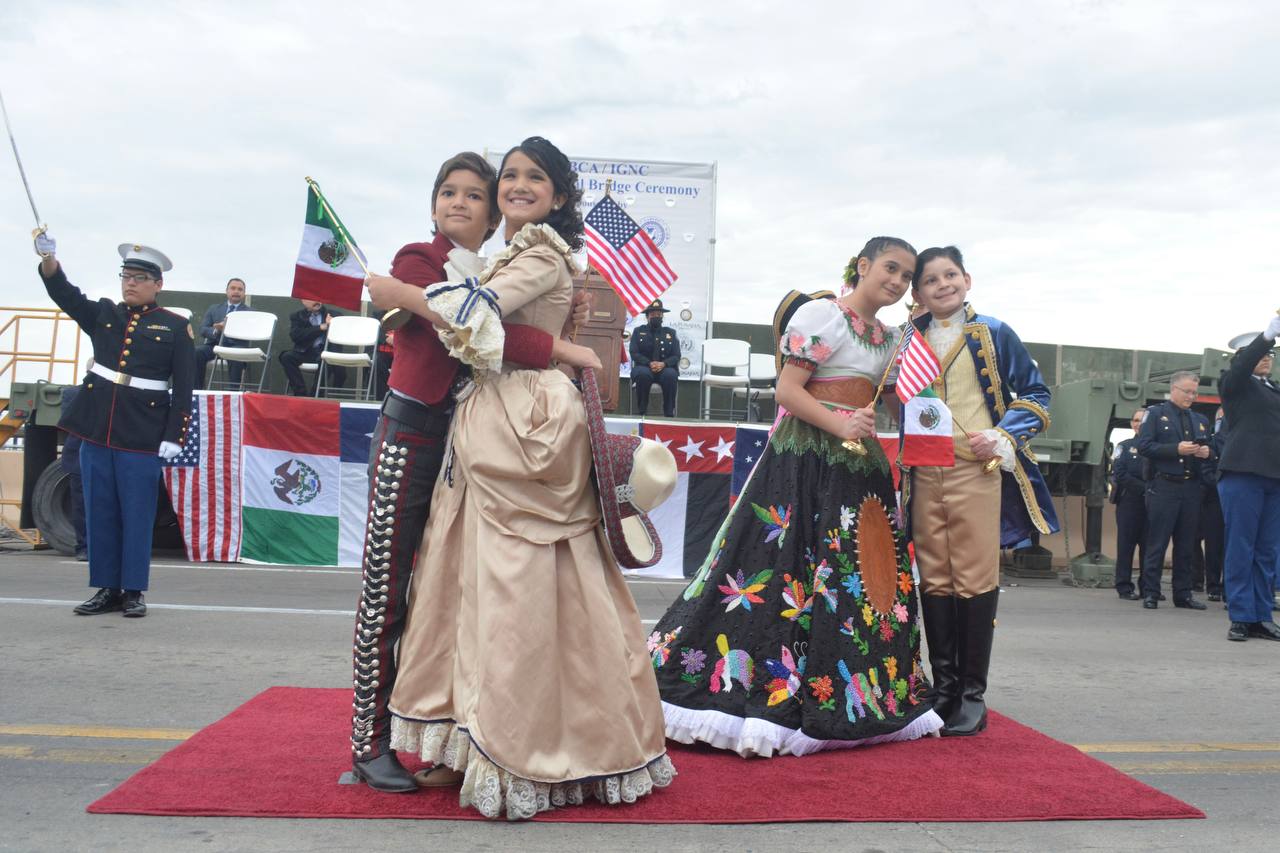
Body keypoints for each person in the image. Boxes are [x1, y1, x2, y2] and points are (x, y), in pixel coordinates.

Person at [370, 137, 673, 819]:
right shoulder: (513, 251)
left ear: (560, 196)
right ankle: (471, 738)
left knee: (517, 592)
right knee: (473, 586)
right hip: (496, 416)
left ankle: (521, 749)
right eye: (509, 175)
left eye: (535, 177)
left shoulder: (537, 253)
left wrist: (401, 295)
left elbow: (473, 316)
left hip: (524, 420)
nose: (517, 185)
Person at [346, 151, 592, 793]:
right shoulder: (418, 262)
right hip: (413, 430)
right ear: (432, 205)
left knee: (443, 593)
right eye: (446, 192)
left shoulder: (492, 269)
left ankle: (438, 730)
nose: (458, 202)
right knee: (387, 586)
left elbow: (488, 319)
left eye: (472, 195)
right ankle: (368, 741)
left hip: (470, 443)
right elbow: (462, 323)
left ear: (490, 214)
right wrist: (559, 346)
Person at [649, 236, 943, 757]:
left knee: (857, 574)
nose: (897, 282)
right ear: (863, 265)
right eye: (890, 269)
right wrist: (841, 424)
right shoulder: (821, 315)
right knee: (781, 565)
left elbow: (887, 397)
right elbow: (788, 391)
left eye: (905, 276)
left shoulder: (890, 337)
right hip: (806, 459)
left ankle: (848, 689)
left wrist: (865, 424)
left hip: (860, 469)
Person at [908, 246, 1059, 737]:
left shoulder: (994, 332)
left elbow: (1036, 395)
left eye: (950, 275)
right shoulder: (908, 339)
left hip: (977, 467)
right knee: (934, 576)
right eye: (930, 280)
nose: (942, 285)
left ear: (967, 280)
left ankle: (972, 695)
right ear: (918, 292)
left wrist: (1005, 433)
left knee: (972, 575)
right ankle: (944, 688)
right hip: (925, 469)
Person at [35, 235, 194, 618]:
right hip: (96, 429)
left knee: (137, 514)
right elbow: (65, 295)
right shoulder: (105, 314)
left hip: (141, 433)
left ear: (158, 285)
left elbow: (185, 387)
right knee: (99, 511)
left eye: (140, 277)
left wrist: (174, 435)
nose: (130, 283)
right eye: (126, 276)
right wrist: (49, 260)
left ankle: (134, 590)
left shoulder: (174, 327)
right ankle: (106, 588)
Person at [1217, 325, 1280, 642]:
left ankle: (1261, 616)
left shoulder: (1274, 389)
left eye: (1270, 353)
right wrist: (1265, 336)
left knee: (1266, 551)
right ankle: (1241, 616)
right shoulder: (1234, 384)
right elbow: (1241, 368)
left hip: (1273, 477)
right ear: (1242, 357)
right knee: (1241, 547)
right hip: (1243, 473)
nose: (1266, 358)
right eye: (1260, 353)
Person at [1136, 371, 1212, 611]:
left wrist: (1206, 453)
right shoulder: (1156, 414)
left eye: (1194, 392)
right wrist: (1175, 450)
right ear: (1174, 390)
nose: (1191, 396)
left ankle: (1183, 593)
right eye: (1187, 391)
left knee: (1187, 544)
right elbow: (1145, 446)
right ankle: (1151, 592)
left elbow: (1209, 447)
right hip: (1165, 485)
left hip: (1190, 487)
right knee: (1157, 542)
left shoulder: (1199, 419)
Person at [1111, 410, 1148, 600]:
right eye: (1135, 420)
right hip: (1129, 501)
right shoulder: (1124, 446)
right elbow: (1120, 473)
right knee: (1126, 546)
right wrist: (1144, 488)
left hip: (1152, 503)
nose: (1138, 424)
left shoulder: (1156, 446)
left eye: (1142, 420)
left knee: (1149, 547)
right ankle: (1124, 587)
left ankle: (1148, 587)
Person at [279, 299, 345, 395]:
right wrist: (320, 328)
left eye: (318, 297)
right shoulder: (297, 316)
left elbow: (342, 335)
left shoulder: (334, 315)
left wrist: (332, 325)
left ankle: (316, 395)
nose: (317, 301)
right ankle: (300, 393)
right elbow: (296, 336)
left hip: (324, 352)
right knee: (286, 357)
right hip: (305, 352)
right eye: (312, 298)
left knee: (325, 359)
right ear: (303, 301)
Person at [193, 278, 248, 389]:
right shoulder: (214, 309)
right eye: (233, 288)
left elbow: (250, 330)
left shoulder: (250, 312)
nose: (236, 291)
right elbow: (203, 329)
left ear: (244, 293)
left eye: (240, 289)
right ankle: (196, 391)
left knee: (237, 355)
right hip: (214, 344)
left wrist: (230, 328)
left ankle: (233, 392)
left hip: (236, 346)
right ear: (226, 291)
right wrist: (217, 330)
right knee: (197, 352)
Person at [629, 299, 680, 416]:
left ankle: (669, 414)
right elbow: (634, 352)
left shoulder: (671, 333)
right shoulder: (638, 331)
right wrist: (649, 363)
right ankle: (642, 412)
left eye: (659, 314)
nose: (656, 316)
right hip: (644, 367)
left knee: (671, 375)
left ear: (662, 316)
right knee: (643, 375)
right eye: (653, 314)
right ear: (647, 316)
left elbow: (676, 355)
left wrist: (664, 364)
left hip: (665, 368)